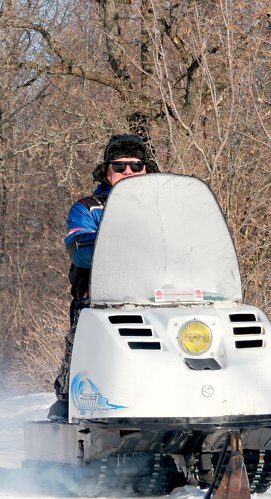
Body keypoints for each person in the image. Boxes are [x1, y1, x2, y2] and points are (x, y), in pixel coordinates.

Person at [49, 134, 159, 422]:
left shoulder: (164, 207)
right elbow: (79, 249)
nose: (129, 173)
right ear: (107, 170)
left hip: (160, 293)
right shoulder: (89, 208)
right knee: (84, 336)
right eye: (121, 166)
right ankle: (68, 398)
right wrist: (120, 240)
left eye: (137, 166)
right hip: (101, 296)